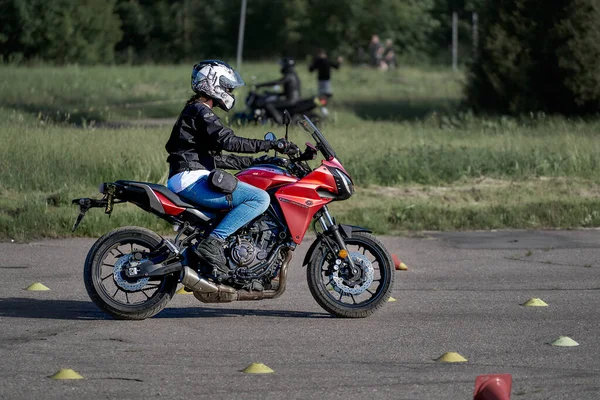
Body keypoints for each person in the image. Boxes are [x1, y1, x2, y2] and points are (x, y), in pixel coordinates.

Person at [165, 60, 298, 277]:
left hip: (188, 175)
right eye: (226, 86)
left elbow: (221, 159)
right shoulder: (200, 111)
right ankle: (213, 242)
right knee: (259, 199)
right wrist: (273, 144)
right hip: (190, 178)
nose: (229, 91)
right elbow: (230, 141)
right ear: (212, 83)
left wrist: (262, 160)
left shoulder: (195, 111)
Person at [255, 57, 301, 124]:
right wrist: (273, 93)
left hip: (291, 101)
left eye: (283, 65)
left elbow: (276, 82)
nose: (282, 67)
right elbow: (288, 92)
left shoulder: (290, 76)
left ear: (287, 66)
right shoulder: (293, 75)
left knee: (269, 105)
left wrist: (260, 85)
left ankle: (280, 121)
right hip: (293, 99)